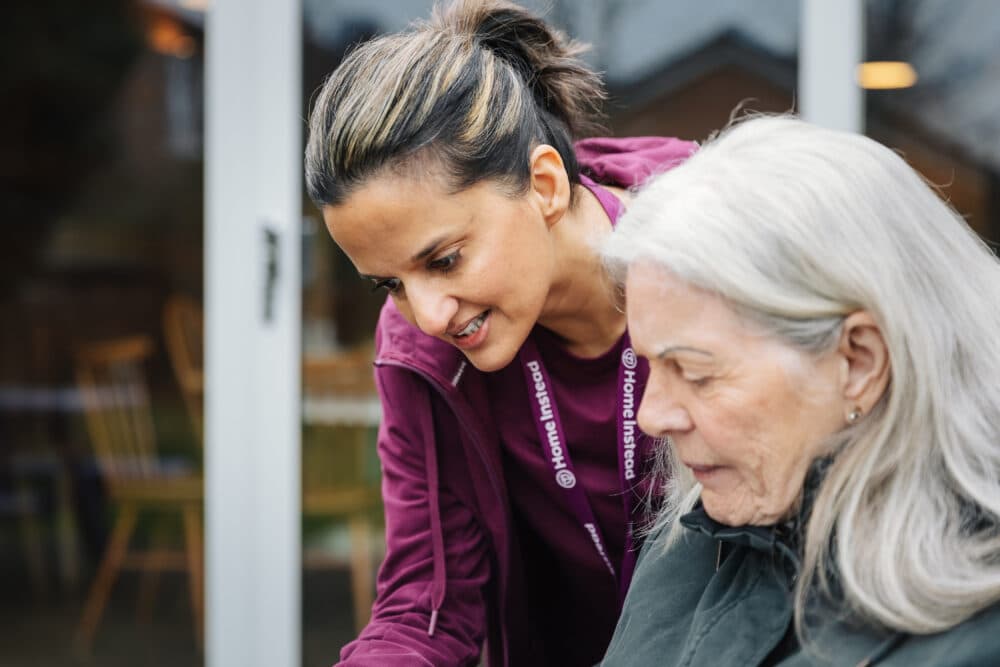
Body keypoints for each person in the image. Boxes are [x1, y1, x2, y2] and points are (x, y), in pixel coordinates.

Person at [304, 1, 697, 664]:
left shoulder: (722, 254)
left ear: (543, 186)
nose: (428, 315)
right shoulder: (423, 351)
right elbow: (427, 606)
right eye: (391, 284)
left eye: (444, 258)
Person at [598, 115, 1000, 666]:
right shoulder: (704, 528)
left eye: (695, 372)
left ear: (858, 361)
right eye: (648, 366)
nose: (651, 415)